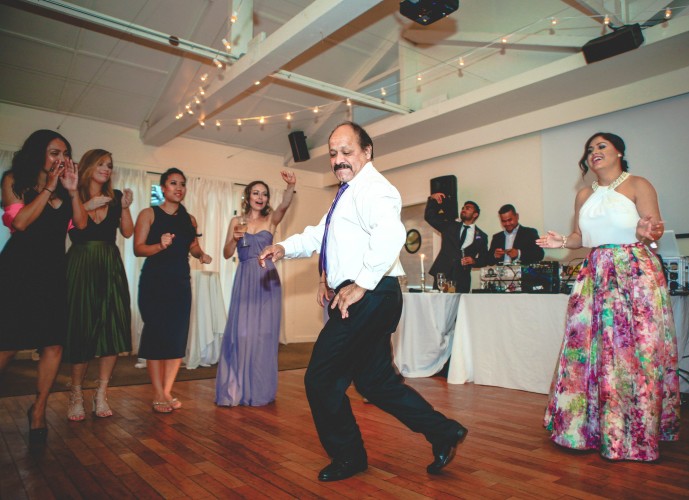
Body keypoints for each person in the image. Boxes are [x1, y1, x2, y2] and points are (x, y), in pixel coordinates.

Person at [258, 121, 467, 482]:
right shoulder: (347, 193)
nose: (338, 160)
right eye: (333, 154)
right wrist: (284, 247)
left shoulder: (375, 189)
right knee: (376, 383)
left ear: (367, 152)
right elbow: (319, 235)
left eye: (347, 152)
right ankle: (443, 431)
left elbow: (391, 234)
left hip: (370, 294)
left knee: (320, 380)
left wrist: (360, 284)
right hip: (369, 295)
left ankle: (349, 457)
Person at [537, 132, 680, 461]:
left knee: (632, 350)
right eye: (590, 149)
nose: (594, 153)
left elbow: (653, 227)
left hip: (633, 271)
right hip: (595, 272)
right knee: (589, 349)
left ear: (619, 151)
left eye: (601, 146)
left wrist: (648, 232)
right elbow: (580, 237)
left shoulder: (638, 184)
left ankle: (633, 432)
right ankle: (587, 428)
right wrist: (563, 242)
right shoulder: (585, 194)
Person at [0, 130, 86, 445]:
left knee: (53, 344)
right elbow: (20, 223)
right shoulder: (13, 180)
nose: (60, 159)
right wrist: (49, 187)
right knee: (6, 343)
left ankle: (38, 410)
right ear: (39, 153)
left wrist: (74, 192)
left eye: (65, 153)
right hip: (17, 272)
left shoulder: (66, 189)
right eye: (54, 153)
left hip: (52, 273)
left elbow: (82, 224)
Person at [134, 167, 212, 413]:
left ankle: (167, 391)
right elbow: (138, 249)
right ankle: (157, 392)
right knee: (156, 337)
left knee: (177, 337)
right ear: (163, 188)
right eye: (173, 183)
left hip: (180, 283)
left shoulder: (189, 220)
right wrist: (160, 245)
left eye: (182, 184)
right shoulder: (149, 214)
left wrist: (202, 255)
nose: (178, 188)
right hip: (154, 283)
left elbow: (194, 246)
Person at [215, 171, 296, 407]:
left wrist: (290, 185)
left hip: (267, 280)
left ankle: (259, 390)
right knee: (241, 334)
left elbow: (285, 204)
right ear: (247, 196)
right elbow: (227, 253)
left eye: (264, 194)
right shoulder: (236, 221)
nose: (260, 197)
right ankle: (235, 388)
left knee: (263, 336)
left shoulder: (271, 220)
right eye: (255, 193)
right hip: (245, 278)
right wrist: (235, 238)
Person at [64, 149, 134, 421]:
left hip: (109, 262)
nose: (107, 168)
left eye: (110, 165)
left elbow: (127, 232)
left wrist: (125, 207)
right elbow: (77, 227)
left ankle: (102, 392)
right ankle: (76, 393)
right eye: (102, 164)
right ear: (89, 166)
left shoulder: (115, 197)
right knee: (80, 327)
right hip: (81, 262)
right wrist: (85, 204)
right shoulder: (74, 193)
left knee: (112, 326)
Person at [424, 196, 488, 293]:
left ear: (475, 214)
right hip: (443, 274)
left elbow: (484, 259)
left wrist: (474, 261)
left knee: (459, 306)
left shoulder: (482, 236)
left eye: (468, 208)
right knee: (440, 304)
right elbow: (430, 217)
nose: (463, 210)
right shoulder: (450, 226)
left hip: (462, 278)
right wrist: (432, 200)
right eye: (463, 208)